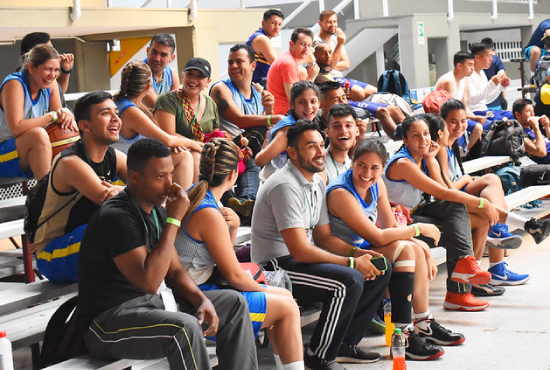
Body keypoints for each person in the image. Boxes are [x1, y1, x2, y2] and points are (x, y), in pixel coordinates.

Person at [78, 138, 258, 370]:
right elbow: (149, 281)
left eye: (171, 175)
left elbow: (174, 271)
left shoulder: (156, 211)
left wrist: (201, 300)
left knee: (233, 303)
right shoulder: (117, 216)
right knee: (184, 329)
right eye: (160, 177)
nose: (170, 185)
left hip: (153, 305)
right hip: (108, 322)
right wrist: (174, 219)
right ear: (134, 177)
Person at [252, 120, 390, 370]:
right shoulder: (285, 185)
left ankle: (346, 344)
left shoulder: (316, 181)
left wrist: (358, 253)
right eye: (310, 147)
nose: (320, 152)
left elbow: (324, 237)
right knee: (347, 281)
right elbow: (300, 251)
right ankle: (319, 356)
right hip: (275, 268)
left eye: (320, 145)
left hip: (296, 261)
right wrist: (351, 263)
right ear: (292, 153)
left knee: (381, 268)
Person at [327, 137, 465, 359]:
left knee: (414, 249)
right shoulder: (341, 192)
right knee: (407, 249)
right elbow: (378, 237)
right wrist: (417, 231)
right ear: (352, 163)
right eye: (361, 165)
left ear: (382, 168)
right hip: (343, 252)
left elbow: (389, 226)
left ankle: (422, 323)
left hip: (365, 246)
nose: (366, 172)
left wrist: (419, 243)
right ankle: (404, 335)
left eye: (374, 167)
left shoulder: (377, 183)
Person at [176, 137, 304, 370]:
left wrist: (233, 227)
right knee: (287, 307)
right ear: (233, 175)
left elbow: (219, 258)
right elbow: (233, 275)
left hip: (195, 290)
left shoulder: (195, 193)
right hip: (192, 299)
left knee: (285, 299)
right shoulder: (208, 212)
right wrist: (266, 289)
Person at [383, 115, 499, 311]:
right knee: (457, 229)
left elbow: (444, 191)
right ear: (405, 140)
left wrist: (430, 159)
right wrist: (482, 203)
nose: (423, 140)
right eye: (415, 136)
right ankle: (458, 293)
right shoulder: (403, 163)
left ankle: (468, 271)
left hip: (417, 212)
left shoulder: (424, 158)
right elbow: (441, 192)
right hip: (397, 223)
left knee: (466, 214)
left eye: (426, 134)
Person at [428, 105, 544, 291]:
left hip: (457, 192)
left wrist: (466, 179)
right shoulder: (440, 148)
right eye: (453, 121)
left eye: (463, 121)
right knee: (490, 192)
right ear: (442, 123)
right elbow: (445, 189)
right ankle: (498, 260)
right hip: (445, 201)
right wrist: (466, 179)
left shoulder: (452, 143)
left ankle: (498, 239)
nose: (459, 126)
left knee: (493, 184)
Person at [30, 91, 127, 283]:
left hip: (84, 242)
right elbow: (109, 198)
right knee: (120, 222)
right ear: (84, 125)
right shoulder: (70, 162)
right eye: (106, 113)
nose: (116, 119)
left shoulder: (113, 156)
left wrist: (123, 191)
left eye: (116, 112)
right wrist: (127, 192)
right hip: (53, 254)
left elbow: (151, 186)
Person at [210, 44, 285, 216]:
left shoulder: (259, 93)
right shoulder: (221, 88)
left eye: (239, 61)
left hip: (247, 152)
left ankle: (244, 203)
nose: (233, 66)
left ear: (253, 65)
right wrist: (271, 117)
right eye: (230, 62)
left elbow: (267, 130)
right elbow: (240, 120)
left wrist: (269, 109)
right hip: (224, 151)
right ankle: (245, 203)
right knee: (253, 145)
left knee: (252, 156)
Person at [112, 60, 194, 190]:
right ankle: (182, 206)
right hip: (124, 175)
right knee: (185, 157)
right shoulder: (130, 111)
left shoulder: (122, 103)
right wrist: (195, 144)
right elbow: (167, 139)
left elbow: (163, 140)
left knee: (180, 153)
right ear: (148, 87)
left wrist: (175, 145)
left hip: (134, 164)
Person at [0, 44, 75, 180]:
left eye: (56, 70)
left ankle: (69, 189)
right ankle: (45, 194)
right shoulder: (14, 84)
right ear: (31, 67)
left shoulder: (50, 84)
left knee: (71, 128)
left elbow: (59, 122)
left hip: (26, 151)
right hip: (3, 153)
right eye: (47, 69)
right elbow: (17, 128)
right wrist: (51, 116)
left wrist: (66, 114)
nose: (52, 75)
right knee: (38, 135)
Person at [154, 57, 219, 183]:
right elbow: (167, 135)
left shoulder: (210, 103)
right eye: (190, 74)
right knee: (194, 156)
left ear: (208, 82)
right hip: (173, 153)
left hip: (203, 154)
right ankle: (193, 199)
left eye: (200, 76)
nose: (193, 80)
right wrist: (194, 145)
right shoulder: (167, 100)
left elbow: (215, 135)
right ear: (182, 76)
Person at [256, 81, 320, 179]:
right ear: (292, 105)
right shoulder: (288, 130)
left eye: (313, 101)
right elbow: (260, 160)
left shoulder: (308, 123)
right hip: (277, 183)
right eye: (302, 102)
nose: (308, 107)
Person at [435, 51, 482, 153]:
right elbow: (448, 111)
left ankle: (464, 153)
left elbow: (464, 106)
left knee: (478, 128)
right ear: (459, 65)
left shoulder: (463, 80)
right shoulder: (448, 81)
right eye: (470, 65)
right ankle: (455, 155)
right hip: (446, 120)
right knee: (455, 128)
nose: (473, 68)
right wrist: (472, 118)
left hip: (457, 118)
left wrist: (475, 117)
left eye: (473, 65)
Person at [267, 27, 319, 115]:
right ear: (291, 44)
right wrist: (311, 77)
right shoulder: (288, 63)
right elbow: (294, 99)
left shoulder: (287, 58)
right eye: (302, 44)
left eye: (309, 45)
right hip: (285, 114)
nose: (306, 49)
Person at [466, 43, 513, 130]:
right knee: (503, 123)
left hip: (485, 110)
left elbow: (487, 100)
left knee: (515, 115)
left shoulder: (482, 73)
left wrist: (500, 87)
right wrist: (491, 84)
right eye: (488, 56)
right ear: (478, 57)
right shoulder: (469, 75)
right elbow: (473, 100)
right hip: (476, 113)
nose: (491, 60)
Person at [246, 9, 284, 87]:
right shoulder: (261, 39)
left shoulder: (263, 38)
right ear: (264, 23)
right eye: (273, 23)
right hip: (255, 86)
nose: (276, 27)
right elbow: (278, 65)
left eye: (279, 24)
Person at [142, 33, 180, 108]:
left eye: (163, 55)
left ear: (172, 58)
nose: (157, 58)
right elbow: (158, 106)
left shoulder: (172, 73)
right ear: (147, 51)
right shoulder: (140, 72)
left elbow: (178, 104)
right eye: (154, 52)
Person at [513, 98, 550, 164]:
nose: (532, 114)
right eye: (528, 111)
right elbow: (542, 152)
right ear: (518, 115)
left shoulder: (532, 130)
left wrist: (547, 127)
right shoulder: (520, 135)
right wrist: (536, 127)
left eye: (533, 111)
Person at [314, 10, 349, 79]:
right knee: (360, 90)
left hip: (340, 78)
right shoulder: (316, 41)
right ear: (320, 24)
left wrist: (329, 65)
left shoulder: (336, 39)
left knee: (372, 89)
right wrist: (339, 44)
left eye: (334, 21)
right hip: (327, 80)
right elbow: (330, 67)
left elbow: (346, 64)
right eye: (328, 22)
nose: (333, 25)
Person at [481, 37, 508, 110]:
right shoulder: (496, 60)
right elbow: (503, 77)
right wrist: (505, 99)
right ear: (492, 47)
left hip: (480, 102)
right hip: (496, 101)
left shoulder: (477, 60)